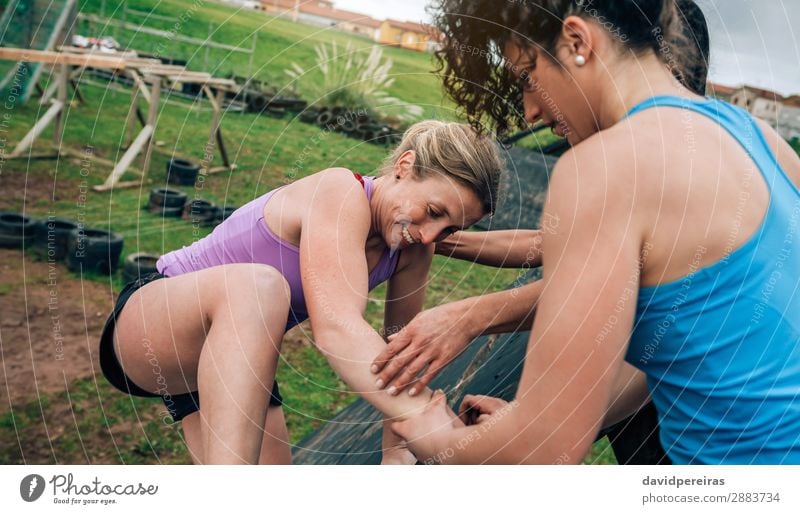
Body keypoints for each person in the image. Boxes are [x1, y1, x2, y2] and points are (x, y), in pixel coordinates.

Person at [388, 0, 800, 464]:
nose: (529, 111)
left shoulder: (605, 168)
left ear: (579, 41)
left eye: (527, 78)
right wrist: (540, 417)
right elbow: (689, 357)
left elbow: (542, 453)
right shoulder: (766, 141)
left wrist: (435, 436)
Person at [98, 120, 504, 464]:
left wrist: (396, 452)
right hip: (156, 321)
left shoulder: (413, 252)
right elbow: (338, 327)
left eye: (450, 228)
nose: (431, 234)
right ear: (404, 165)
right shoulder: (339, 191)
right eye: (433, 212)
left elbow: (397, 355)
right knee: (261, 287)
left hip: (235, 356)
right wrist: (439, 424)